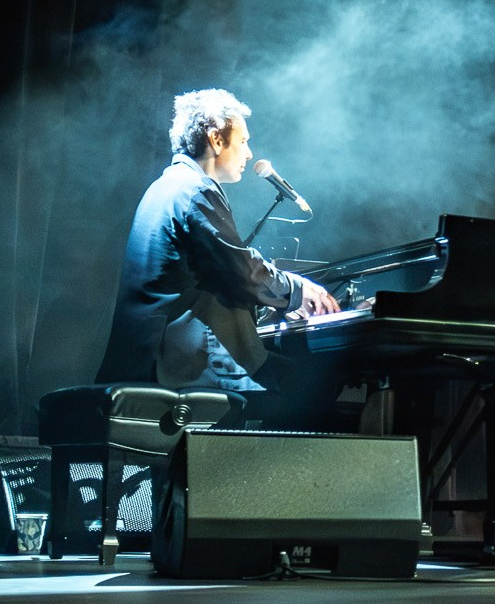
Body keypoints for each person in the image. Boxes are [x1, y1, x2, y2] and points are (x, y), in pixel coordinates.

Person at [97, 89, 339, 414]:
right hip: (177, 361)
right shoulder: (195, 191)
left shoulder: (167, 185)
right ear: (216, 139)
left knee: (293, 379)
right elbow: (238, 268)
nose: (250, 153)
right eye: (243, 142)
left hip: (147, 356)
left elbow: (214, 273)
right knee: (313, 384)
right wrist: (299, 289)